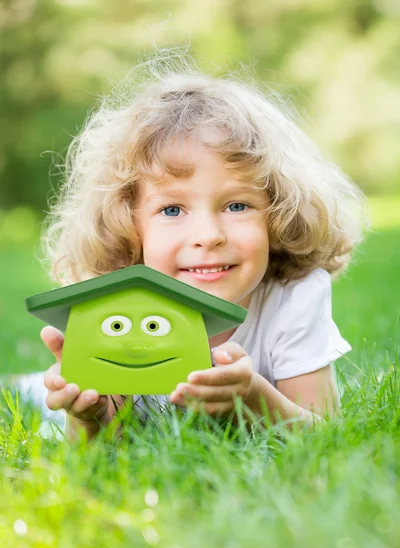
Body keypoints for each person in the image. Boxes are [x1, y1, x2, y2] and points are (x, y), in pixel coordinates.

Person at [27, 50, 367, 440]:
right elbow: (95, 461)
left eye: (237, 205)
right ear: (129, 224)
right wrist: (91, 416)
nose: (208, 234)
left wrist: (253, 396)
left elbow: (324, 438)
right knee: (40, 396)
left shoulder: (292, 301)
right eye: (172, 210)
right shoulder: (118, 311)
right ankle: (29, 385)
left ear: (276, 213)